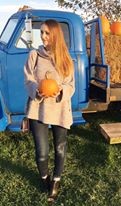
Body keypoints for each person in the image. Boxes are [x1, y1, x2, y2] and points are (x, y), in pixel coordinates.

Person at [24, 19, 75, 202]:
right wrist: (36, 91)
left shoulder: (66, 58)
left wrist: (62, 91)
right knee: (42, 152)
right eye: (42, 33)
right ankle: (44, 177)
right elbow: (28, 80)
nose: (43, 36)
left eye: (47, 33)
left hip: (60, 108)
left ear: (55, 35)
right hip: (39, 108)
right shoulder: (34, 56)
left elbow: (71, 85)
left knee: (60, 148)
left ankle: (56, 180)